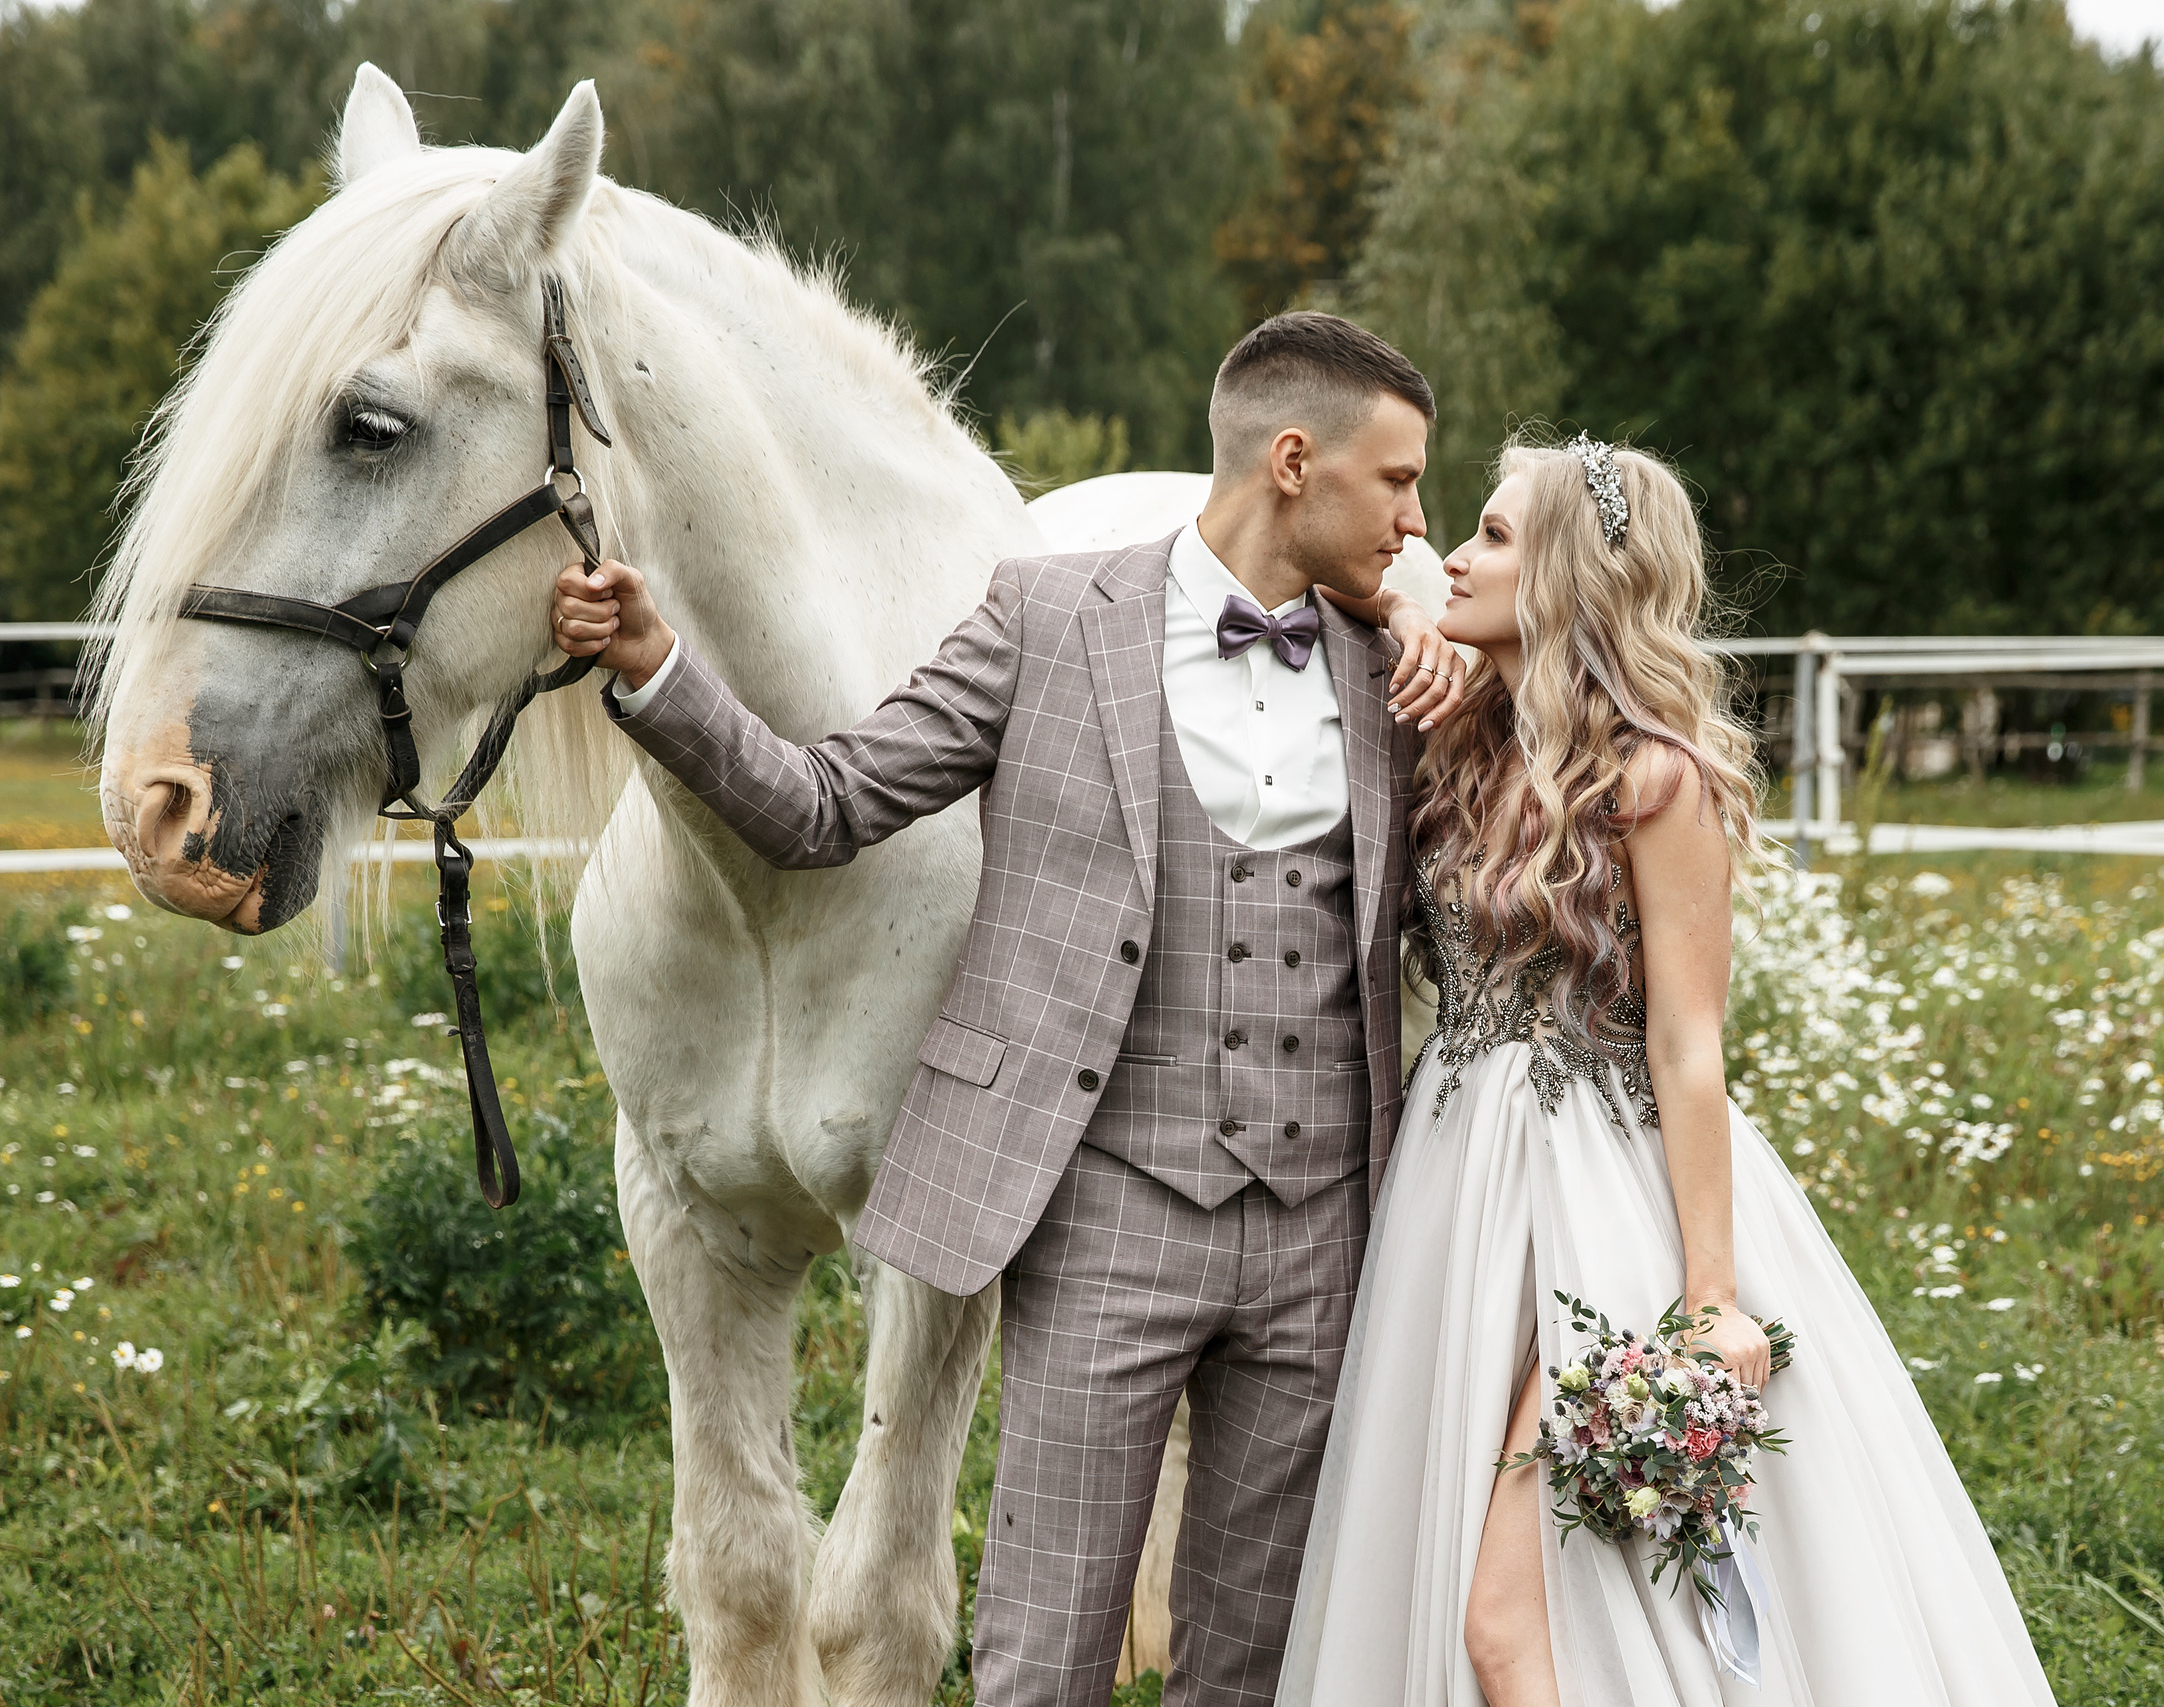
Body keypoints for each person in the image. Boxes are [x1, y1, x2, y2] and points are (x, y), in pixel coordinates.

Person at [552, 311, 1461, 1706]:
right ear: (1295, 462)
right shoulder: (1043, 618)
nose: (1416, 522)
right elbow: (825, 803)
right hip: (1110, 1229)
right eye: (1397, 482)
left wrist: (1460, 649)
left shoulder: (1402, 665)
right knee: (1041, 1660)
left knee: (1253, 1661)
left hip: (1323, 1237)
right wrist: (660, 670)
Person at [1277, 436, 2058, 1707]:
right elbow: (1337, 569)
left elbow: (1689, 1043)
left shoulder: (1655, 779)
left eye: (1489, 536)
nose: (1448, 555)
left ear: (1567, 579)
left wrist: (1710, 1297)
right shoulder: (1464, 742)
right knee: (1443, 1573)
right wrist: (1413, 614)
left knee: (1508, 1622)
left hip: (1601, 1203)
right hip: (1451, 1196)